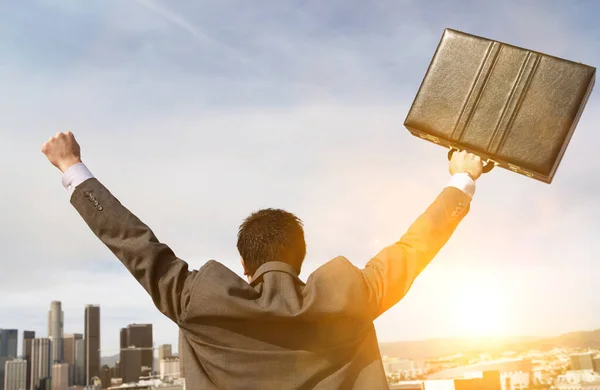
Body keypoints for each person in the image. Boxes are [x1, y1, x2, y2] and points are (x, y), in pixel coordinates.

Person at [42, 131, 483, 390]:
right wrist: (462, 176)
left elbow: (134, 243)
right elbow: (414, 248)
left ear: (244, 264)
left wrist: (72, 167)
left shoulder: (199, 301)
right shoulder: (351, 296)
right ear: (301, 258)